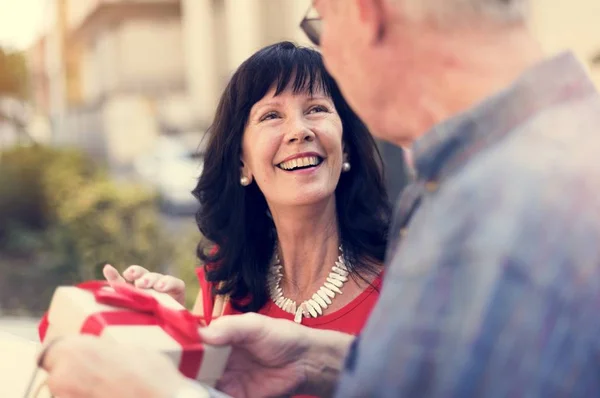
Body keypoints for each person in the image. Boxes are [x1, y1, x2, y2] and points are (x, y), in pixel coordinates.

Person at [38, 0, 600, 397]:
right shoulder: (513, 177)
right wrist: (315, 359)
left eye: (319, 23)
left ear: (363, 12)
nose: (300, 130)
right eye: (271, 116)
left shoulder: (508, 215)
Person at [100, 41, 390, 337]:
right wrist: (173, 332)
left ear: (346, 147)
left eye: (316, 108)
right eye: (271, 115)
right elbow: (196, 384)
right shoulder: (224, 286)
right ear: (242, 163)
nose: (299, 131)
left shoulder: (402, 281)